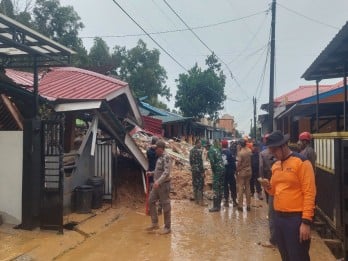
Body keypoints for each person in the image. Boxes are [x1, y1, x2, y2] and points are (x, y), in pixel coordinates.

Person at [261, 130, 316, 261]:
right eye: (271, 150)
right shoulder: (276, 165)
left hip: (296, 219)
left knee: (298, 256)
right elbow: (274, 191)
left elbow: (309, 193)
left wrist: (306, 222)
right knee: (285, 256)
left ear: (283, 146)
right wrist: (267, 186)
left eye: (274, 150)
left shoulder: (302, 162)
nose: (272, 153)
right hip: (278, 218)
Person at [146, 140, 172, 235]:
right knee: (151, 201)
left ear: (161, 149)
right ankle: (155, 223)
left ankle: (167, 227)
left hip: (164, 185)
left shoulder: (166, 157)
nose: (155, 150)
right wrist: (151, 173)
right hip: (157, 184)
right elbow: (159, 170)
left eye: (156, 148)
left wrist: (158, 181)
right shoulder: (159, 157)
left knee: (165, 205)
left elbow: (166, 173)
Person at [259, 133, 276, 247]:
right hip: (278, 183)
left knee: (272, 210)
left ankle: (273, 240)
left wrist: (261, 179)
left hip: (268, 181)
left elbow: (261, 167)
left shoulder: (263, 153)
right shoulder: (280, 155)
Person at [207, 139, 225, 212]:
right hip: (223, 169)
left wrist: (214, 171)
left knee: (216, 187)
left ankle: (215, 206)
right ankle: (219, 206)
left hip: (217, 170)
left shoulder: (210, 151)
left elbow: (212, 162)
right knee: (220, 187)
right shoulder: (217, 149)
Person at [146, 136, 162, 215]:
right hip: (157, 175)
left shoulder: (149, 151)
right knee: (159, 193)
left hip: (152, 175)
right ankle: (159, 210)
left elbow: (149, 152)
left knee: (151, 193)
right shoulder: (157, 152)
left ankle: (151, 210)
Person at [236, 138, 252, 212]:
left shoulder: (241, 153)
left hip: (242, 172)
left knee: (241, 188)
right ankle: (248, 205)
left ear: (240, 144)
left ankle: (240, 205)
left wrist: (237, 170)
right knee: (248, 188)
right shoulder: (249, 150)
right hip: (249, 171)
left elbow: (239, 163)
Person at [189, 139, 207, 206]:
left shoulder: (191, 151)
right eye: (200, 143)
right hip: (199, 170)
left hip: (194, 170)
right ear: (197, 143)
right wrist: (202, 171)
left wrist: (193, 167)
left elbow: (190, 161)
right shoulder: (199, 151)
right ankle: (201, 202)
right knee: (200, 185)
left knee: (195, 184)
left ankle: (196, 201)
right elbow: (200, 163)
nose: (201, 145)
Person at [221, 139, 237, 207]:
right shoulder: (230, 153)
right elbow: (233, 163)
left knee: (225, 186)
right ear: (227, 145)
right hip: (230, 172)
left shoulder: (220, 152)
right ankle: (234, 201)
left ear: (222, 145)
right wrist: (235, 170)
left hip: (223, 172)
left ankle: (226, 201)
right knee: (232, 186)